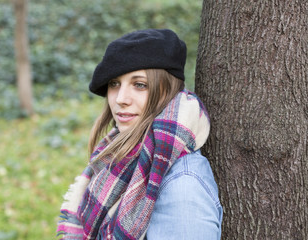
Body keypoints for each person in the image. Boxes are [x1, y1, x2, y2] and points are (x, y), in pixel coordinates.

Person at [57, 29, 223, 240]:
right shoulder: (120, 158)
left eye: (140, 85)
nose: (121, 99)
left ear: (169, 91)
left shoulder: (182, 187)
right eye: (114, 84)